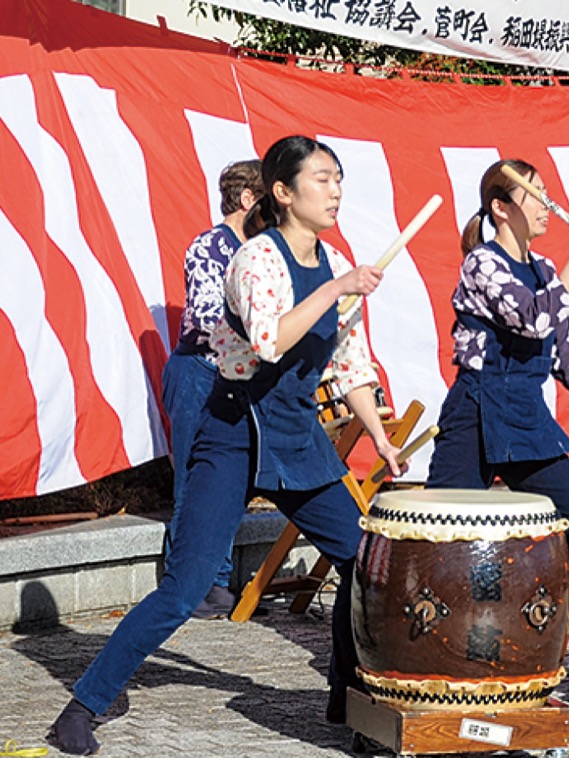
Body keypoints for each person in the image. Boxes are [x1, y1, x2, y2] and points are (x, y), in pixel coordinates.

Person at [50, 135, 405, 755]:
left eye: (338, 179)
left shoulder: (336, 262)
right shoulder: (255, 259)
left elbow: (351, 365)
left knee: (364, 561)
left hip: (296, 432)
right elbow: (268, 340)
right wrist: (336, 288)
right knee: (185, 589)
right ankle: (83, 706)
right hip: (234, 429)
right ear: (282, 192)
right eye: (322, 179)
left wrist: (378, 436)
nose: (336, 190)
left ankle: (350, 703)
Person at [424, 158, 569, 684]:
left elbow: (565, 352)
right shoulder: (482, 263)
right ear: (501, 208)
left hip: (526, 414)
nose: (548, 207)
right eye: (536, 197)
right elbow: (532, 320)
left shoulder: (547, 270)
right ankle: (429, 654)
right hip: (475, 409)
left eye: (549, 195)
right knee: (441, 540)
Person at [161, 159, 263, 620]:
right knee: (193, 479)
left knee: (228, 481)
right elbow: (204, 318)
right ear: (248, 199)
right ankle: (188, 585)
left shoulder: (261, 254)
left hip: (235, 376)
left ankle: (216, 581)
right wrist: (265, 334)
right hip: (199, 372)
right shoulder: (210, 246)